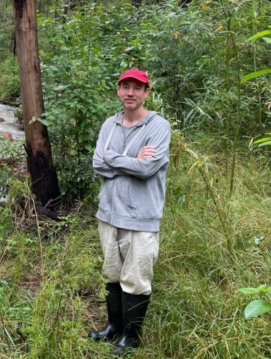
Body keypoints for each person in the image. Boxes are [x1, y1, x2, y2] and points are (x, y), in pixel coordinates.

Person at [89, 69, 171, 354]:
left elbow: (147, 168)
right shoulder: (109, 126)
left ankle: (131, 337)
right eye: (125, 87)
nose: (130, 93)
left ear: (146, 92)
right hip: (108, 214)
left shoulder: (158, 127)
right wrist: (129, 160)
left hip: (140, 217)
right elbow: (97, 163)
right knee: (112, 273)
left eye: (137, 88)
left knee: (135, 278)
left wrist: (115, 160)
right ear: (118, 90)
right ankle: (113, 327)